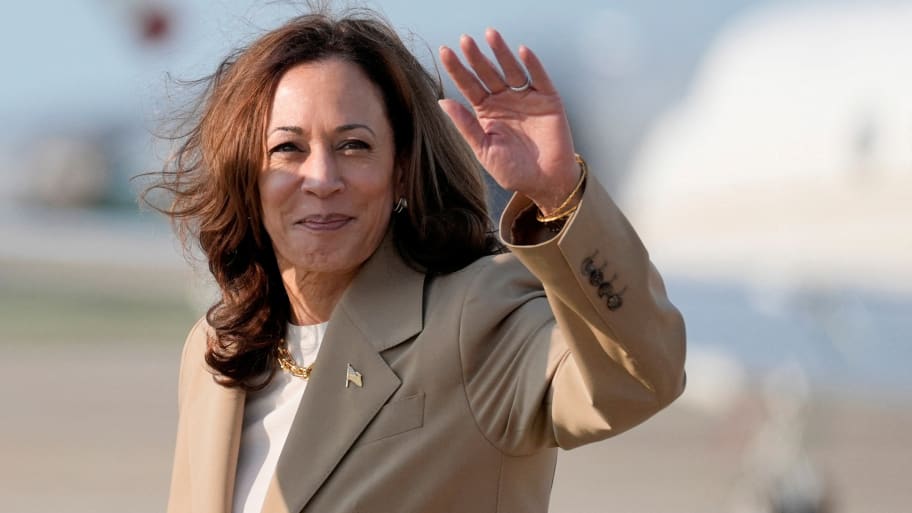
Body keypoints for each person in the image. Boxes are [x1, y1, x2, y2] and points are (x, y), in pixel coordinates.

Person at [146, 7, 686, 513]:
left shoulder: (474, 316)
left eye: (354, 145)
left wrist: (561, 194)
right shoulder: (216, 352)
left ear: (401, 170)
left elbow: (638, 379)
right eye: (288, 149)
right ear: (248, 174)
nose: (322, 180)